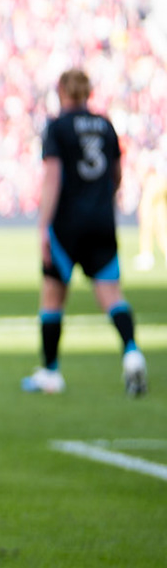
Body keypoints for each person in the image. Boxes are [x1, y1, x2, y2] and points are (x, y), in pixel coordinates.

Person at [23, 69, 146, 396]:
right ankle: (132, 352)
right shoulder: (105, 125)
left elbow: (53, 177)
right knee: (112, 295)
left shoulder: (58, 126)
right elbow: (117, 175)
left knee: (52, 295)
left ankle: (51, 372)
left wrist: (42, 226)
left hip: (67, 224)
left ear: (61, 91)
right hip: (102, 220)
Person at [137, 152, 167, 272]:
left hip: (154, 181)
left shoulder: (151, 149)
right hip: (162, 181)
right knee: (162, 225)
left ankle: (146, 255)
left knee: (147, 223)